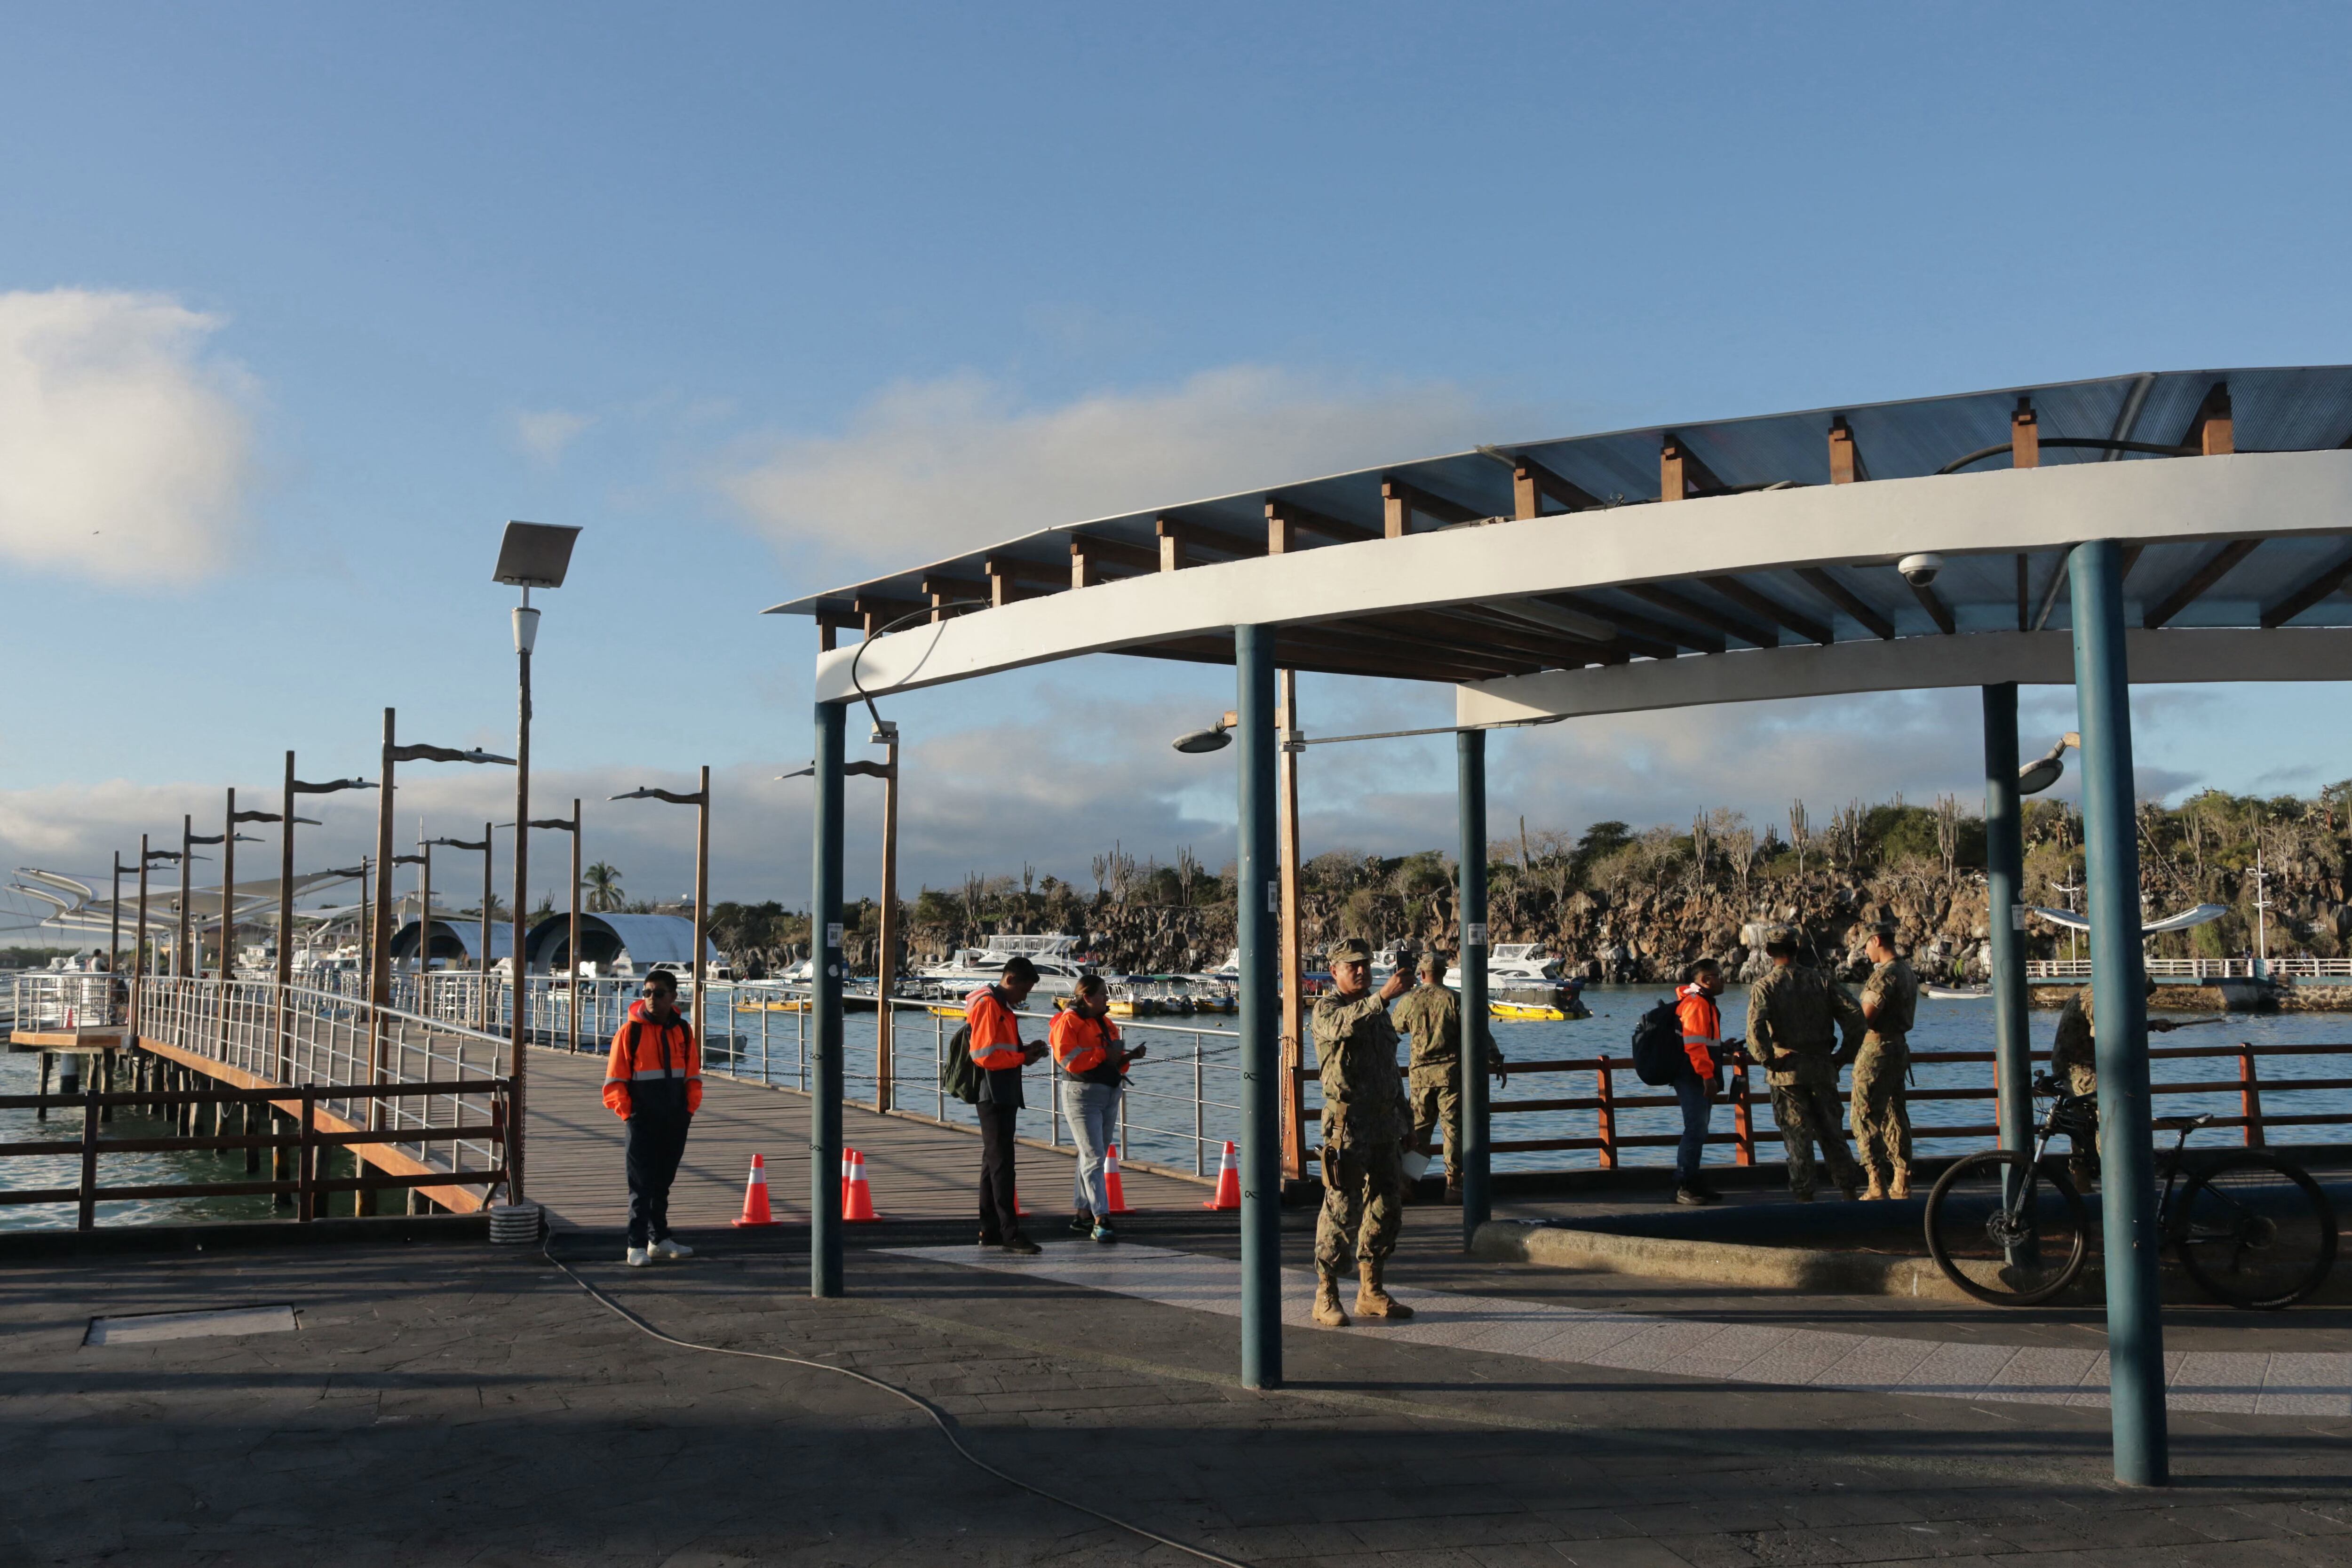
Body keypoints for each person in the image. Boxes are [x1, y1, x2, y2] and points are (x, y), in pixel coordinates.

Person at [1310, 937, 1415, 1329]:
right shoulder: (1327, 1008)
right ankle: (1326, 1294)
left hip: (1385, 1125)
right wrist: (1382, 997)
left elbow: (1390, 1071)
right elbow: (1340, 1025)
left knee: (1386, 1208)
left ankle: (1371, 1290)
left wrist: (1407, 1122)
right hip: (1349, 1127)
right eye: (1352, 965)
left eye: (1366, 965)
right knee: (1341, 1209)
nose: (1361, 971)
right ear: (1334, 971)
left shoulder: (1379, 1013)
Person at [1746, 925, 1866, 1202]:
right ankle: (1849, 1194)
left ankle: (1805, 1199)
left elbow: (1755, 1030)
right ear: (1797, 949)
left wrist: (1768, 1059)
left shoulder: (1765, 987)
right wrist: (1844, 1054)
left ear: (1768, 952)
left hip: (1787, 1073)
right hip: (1822, 1068)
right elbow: (1855, 1015)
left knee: (1797, 1138)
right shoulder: (1822, 981)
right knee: (1833, 1134)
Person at [601, 968, 702, 1266]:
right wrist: (629, 1113)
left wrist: (689, 1109)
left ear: (673, 997)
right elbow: (614, 1081)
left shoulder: (683, 1030)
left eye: (658, 993)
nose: (651, 999)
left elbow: (692, 1075)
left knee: (663, 1181)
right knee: (641, 1183)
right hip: (642, 1118)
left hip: (675, 1117)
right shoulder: (629, 1032)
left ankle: (659, 1239)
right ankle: (635, 1245)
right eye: (647, 993)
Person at [1393, 950, 1507, 1201]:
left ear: (1422, 975)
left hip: (1420, 1079)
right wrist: (1496, 1061)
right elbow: (1479, 1033)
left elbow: (1393, 1030)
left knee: (1418, 1132)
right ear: (1444, 973)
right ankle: (1454, 1186)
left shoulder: (1410, 1001)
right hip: (1451, 1077)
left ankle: (1406, 1184)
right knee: (1453, 1131)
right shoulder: (1456, 1000)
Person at [2050, 977, 2173, 1188]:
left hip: (2075, 1065)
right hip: (2080, 1068)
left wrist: (2150, 1025)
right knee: (2110, 1114)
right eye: (2140, 997)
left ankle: (2083, 1183)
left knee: (2081, 1123)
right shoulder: (2097, 998)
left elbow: (2113, 1026)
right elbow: (2107, 1034)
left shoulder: (2099, 991)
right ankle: (2116, 1180)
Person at [1051, 973, 1144, 1243]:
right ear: (1087, 997)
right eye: (1103, 994)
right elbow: (1068, 1060)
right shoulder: (1067, 1023)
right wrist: (1104, 1054)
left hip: (1109, 1092)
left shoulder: (1106, 1023)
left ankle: (1083, 1215)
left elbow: (1114, 1060)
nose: (1107, 998)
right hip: (1082, 1094)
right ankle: (1101, 1218)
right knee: (1093, 1156)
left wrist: (1129, 1057)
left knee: (1094, 1155)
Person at [968, 955, 1049, 1254]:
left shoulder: (1000, 1006)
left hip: (1001, 1090)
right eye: (1024, 991)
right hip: (994, 1092)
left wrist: (1025, 1052)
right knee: (1003, 1163)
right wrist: (1021, 1057)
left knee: (993, 1161)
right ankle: (1009, 1232)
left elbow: (995, 1049)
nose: (1024, 998)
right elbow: (983, 1055)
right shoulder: (990, 1005)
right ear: (1010, 979)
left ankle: (990, 1229)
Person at [1851, 924, 1919, 1200]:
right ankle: (1902, 1181)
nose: (1865, 952)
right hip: (1899, 1048)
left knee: (1863, 1116)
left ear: (1877, 941)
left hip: (1876, 1051)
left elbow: (1866, 1017)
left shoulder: (1885, 976)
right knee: (1895, 1115)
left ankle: (1875, 1183)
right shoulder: (1906, 972)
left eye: (1866, 946)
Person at [1671, 958, 1737, 1206]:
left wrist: (1722, 1048)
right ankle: (1684, 1185)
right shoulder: (1697, 1004)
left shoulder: (1702, 1002)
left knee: (1699, 1130)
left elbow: (1703, 1042)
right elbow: (1694, 1045)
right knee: (1695, 1129)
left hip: (1696, 1074)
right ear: (1706, 980)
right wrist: (1707, 1077)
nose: (1724, 980)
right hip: (1694, 1077)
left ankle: (1694, 1182)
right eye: (1719, 975)